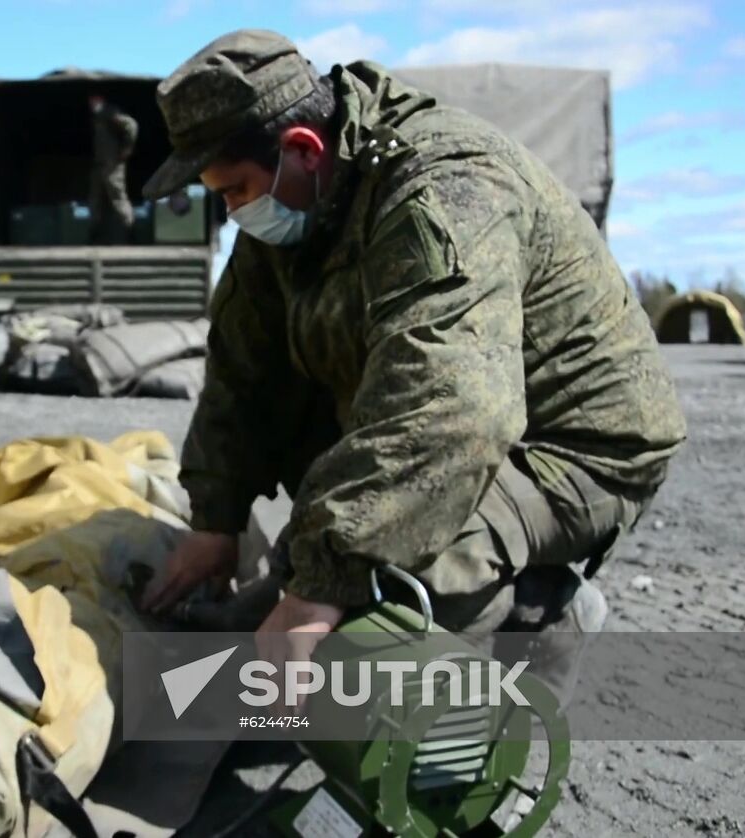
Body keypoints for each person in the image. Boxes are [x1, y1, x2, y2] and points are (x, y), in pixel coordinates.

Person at [137, 30, 687, 703]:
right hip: (461, 419)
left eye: (236, 189)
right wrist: (215, 520)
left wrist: (319, 593)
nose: (232, 211)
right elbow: (242, 370)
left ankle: (538, 617)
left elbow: (452, 412)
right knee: (316, 572)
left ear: (303, 150)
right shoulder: (292, 197)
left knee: (388, 597)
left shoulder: (445, 190)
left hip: (572, 446)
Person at [87, 93, 138, 245]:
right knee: (95, 200)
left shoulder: (109, 113)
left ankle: (131, 233)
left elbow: (131, 125)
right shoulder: (98, 116)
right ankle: (94, 236)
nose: (91, 103)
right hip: (100, 164)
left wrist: (127, 148)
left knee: (118, 199)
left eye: (94, 100)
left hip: (112, 165)